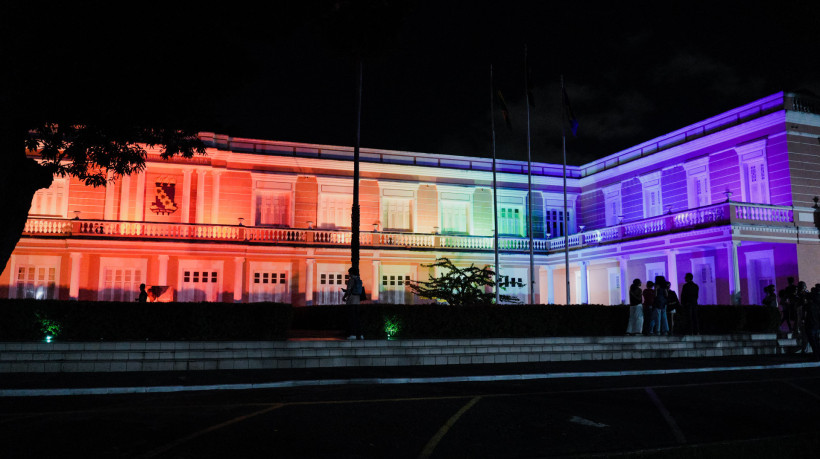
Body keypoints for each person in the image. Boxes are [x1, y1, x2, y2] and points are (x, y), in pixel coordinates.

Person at [342, 267, 363, 340]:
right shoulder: (359, 280)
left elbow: (348, 291)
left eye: (349, 272)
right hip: (357, 302)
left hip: (351, 302)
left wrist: (344, 297)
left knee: (351, 318)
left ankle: (352, 334)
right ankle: (360, 335)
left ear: (351, 273)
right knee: (357, 318)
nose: (349, 274)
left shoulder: (350, 281)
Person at [806, 285, 820, 361]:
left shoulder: (809, 306)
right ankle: (817, 355)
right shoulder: (816, 305)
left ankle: (816, 356)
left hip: (811, 325)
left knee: (813, 341)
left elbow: (805, 316)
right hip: (816, 325)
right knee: (816, 341)